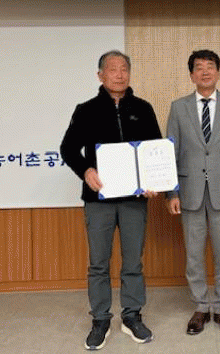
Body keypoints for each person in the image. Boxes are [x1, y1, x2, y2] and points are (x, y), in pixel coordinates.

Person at [60, 50, 161, 350]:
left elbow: (155, 150)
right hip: (99, 199)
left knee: (133, 261)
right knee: (98, 263)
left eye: (124, 69)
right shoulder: (86, 110)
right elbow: (68, 149)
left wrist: (153, 181)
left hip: (134, 199)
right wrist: (85, 170)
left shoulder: (143, 108)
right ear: (100, 75)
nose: (119, 74)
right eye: (113, 69)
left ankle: (132, 315)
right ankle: (100, 319)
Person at [166, 50, 220, 336]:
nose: (205, 72)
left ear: (218, 73)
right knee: (194, 256)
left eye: (210, 67)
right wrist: (172, 193)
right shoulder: (178, 107)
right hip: (189, 192)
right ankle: (200, 306)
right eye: (199, 68)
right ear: (191, 76)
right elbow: (171, 153)